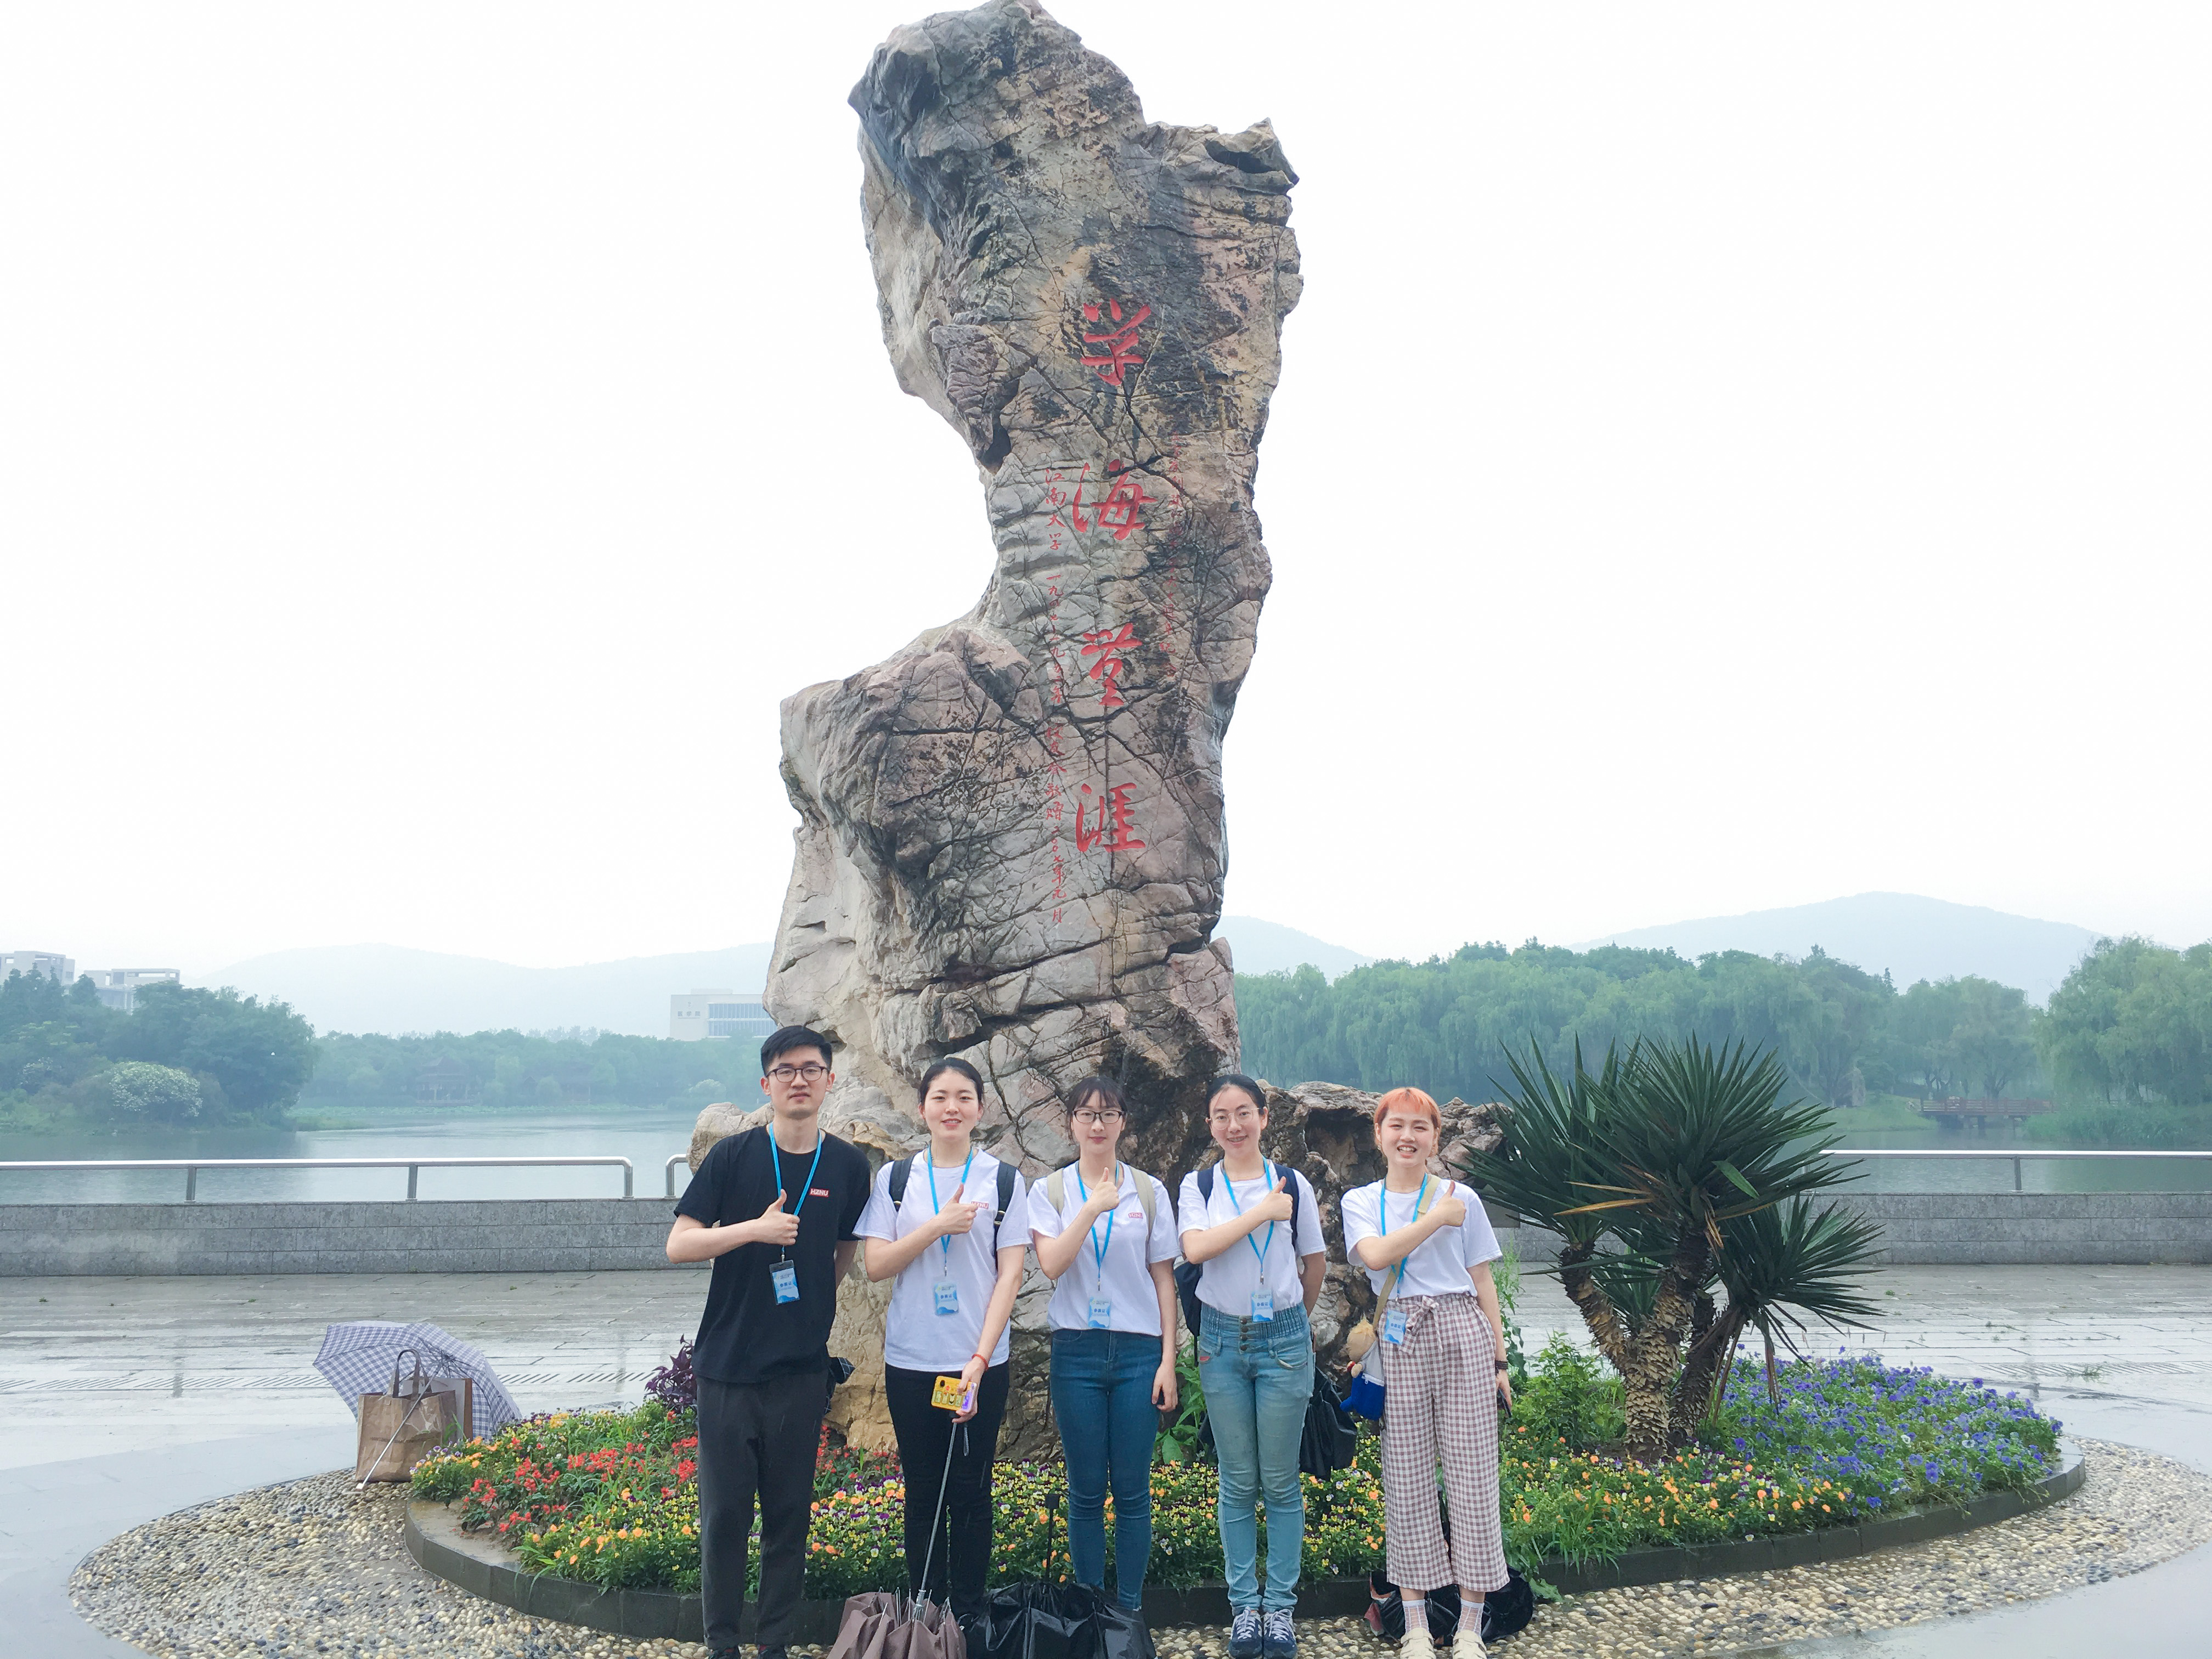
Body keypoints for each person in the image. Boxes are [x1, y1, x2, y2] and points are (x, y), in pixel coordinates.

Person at [665, 1025, 873, 1659]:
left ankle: (775, 1644)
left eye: (811, 1069)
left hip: (800, 1374)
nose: (799, 1080)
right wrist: (753, 1231)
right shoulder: (734, 1157)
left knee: (789, 1519)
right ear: (767, 1084)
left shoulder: (848, 1166)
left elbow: (845, 1248)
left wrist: (812, 1303)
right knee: (724, 1519)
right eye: (786, 1070)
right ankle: (722, 1644)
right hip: (728, 1369)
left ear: (829, 1080)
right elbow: (680, 1243)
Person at [1340, 1087, 1512, 1659]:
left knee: (1473, 1481)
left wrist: (1501, 1362)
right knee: (1407, 1479)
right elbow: (1375, 1256)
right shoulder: (1362, 1200)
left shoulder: (1466, 1199)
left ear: (1436, 1137)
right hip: (1400, 1334)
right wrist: (1437, 1217)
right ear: (1379, 1134)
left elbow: (1482, 1280)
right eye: (1397, 1126)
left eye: (1420, 1127)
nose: (1408, 1137)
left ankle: (1470, 1627)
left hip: (1462, 1329)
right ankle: (1415, 1626)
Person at [857, 1057, 1030, 1627]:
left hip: (978, 1363)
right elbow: (877, 1264)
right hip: (912, 1361)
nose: (951, 1108)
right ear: (922, 1108)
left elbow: (1010, 1275)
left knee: (972, 1492)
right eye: (940, 1097)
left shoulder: (1004, 1181)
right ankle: (926, 1614)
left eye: (963, 1097)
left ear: (981, 1108)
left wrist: (978, 1361)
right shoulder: (895, 1180)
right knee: (923, 1490)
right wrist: (937, 1225)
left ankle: (970, 1616)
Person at [1177, 1074, 1327, 1659]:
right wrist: (1262, 1213)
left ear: (1265, 1118)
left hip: (1283, 1338)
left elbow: (1313, 1264)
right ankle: (1245, 1608)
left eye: (1244, 1113)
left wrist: (1292, 1323)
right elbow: (1196, 1249)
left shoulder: (1294, 1183)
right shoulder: (1200, 1185)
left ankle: (1280, 1609)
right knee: (1238, 1481)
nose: (1234, 1125)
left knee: (1281, 1481)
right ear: (1210, 1124)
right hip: (1220, 1342)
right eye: (1221, 1115)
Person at [1028, 1075, 1180, 1613]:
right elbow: (1052, 1264)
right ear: (1071, 1123)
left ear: (1122, 1123)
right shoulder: (1049, 1192)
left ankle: (1131, 1614)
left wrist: (1168, 1360)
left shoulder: (1148, 1191)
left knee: (1134, 1491)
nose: (1098, 1124)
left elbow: (1164, 1279)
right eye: (1087, 1114)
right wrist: (1092, 1208)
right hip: (1077, 1353)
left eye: (1108, 1113)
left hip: (1139, 1353)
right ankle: (1092, 1612)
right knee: (1086, 1490)